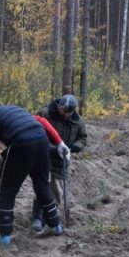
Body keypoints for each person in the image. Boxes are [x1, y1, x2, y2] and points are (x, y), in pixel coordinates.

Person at [0, 102, 71, 245]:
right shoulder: (14, 109)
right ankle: (54, 225)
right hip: (41, 139)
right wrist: (59, 142)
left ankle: (4, 235)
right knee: (42, 184)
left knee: (7, 191)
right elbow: (41, 120)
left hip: (22, 143)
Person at [30, 95, 87, 234]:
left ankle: (47, 222)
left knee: (57, 192)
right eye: (64, 111)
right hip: (43, 157)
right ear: (59, 107)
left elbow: (83, 138)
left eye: (69, 112)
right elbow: (35, 132)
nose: (66, 114)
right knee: (42, 187)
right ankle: (36, 218)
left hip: (61, 161)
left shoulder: (78, 122)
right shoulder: (45, 114)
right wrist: (52, 149)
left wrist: (75, 147)